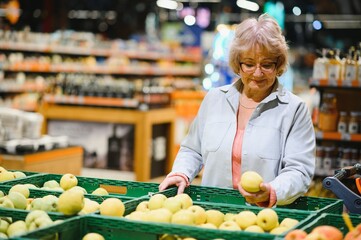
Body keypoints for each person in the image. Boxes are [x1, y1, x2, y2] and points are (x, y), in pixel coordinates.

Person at [159, 13, 315, 207]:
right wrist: (181, 173)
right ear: (237, 64)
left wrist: (272, 191)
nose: (257, 73)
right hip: (211, 211)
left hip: (266, 215)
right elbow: (193, 149)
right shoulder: (215, 99)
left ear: (278, 65)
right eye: (249, 64)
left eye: (267, 65)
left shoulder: (294, 110)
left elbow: (299, 171)